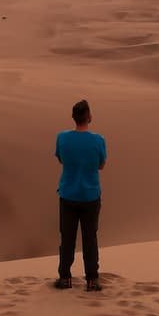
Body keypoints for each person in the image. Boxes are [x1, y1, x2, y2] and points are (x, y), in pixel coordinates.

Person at [54, 99, 106, 291]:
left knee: (67, 238)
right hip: (90, 196)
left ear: (74, 117)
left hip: (68, 194)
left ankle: (65, 278)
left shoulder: (62, 138)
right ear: (88, 116)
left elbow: (60, 159)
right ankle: (92, 280)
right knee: (90, 239)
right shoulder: (98, 140)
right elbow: (101, 165)